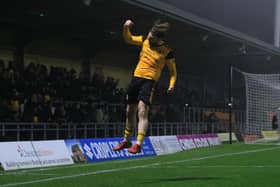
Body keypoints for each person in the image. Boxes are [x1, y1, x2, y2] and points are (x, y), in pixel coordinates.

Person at [113, 19, 177, 154]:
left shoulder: (167, 52)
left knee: (142, 111)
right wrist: (126, 27)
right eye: (149, 34)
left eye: (151, 36)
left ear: (159, 39)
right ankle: (126, 140)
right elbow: (128, 39)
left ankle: (138, 143)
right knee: (129, 110)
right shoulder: (145, 41)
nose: (149, 36)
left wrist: (171, 85)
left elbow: (173, 72)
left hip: (149, 81)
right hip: (136, 78)